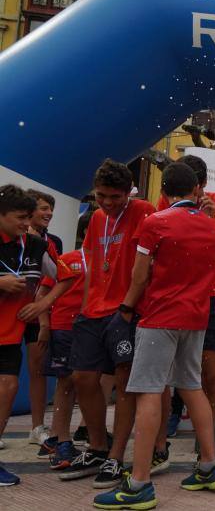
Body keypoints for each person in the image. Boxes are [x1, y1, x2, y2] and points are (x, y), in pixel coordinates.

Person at [94, 162, 215, 509]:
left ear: (165, 192)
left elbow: (140, 276)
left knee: (148, 394)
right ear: (196, 190)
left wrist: (126, 309)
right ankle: (208, 465)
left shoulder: (154, 222)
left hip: (158, 318)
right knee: (192, 388)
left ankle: (139, 483)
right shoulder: (212, 227)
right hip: (197, 318)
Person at [59, 160, 157, 488]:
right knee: (82, 378)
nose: (108, 203)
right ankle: (98, 447)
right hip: (94, 311)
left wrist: (129, 309)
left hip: (128, 310)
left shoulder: (144, 211)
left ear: (128, 192)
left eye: (115, 197)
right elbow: (89, 269)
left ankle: (116, 457)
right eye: (102, 196)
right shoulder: (97, 218)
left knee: (125, 382)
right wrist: (85, 307)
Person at [0, 184, 76, 486]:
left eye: (28, 217)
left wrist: (42, 304)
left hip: (9, 333)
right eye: (20, 217)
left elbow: (66, 277)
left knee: (7, 388)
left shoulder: (34, 245)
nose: (26, 224)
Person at [156, 155, 215, 426]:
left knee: (210, 372)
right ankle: (170, 417)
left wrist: (211, 218)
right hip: (177, 292)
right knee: (171, 366)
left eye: (195, 188)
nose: (188, 194)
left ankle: (206, 437)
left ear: (202, 185)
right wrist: (198, 223)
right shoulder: (166, 202)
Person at [38, 248, 86, 470]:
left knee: (82, 382)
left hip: (91, 328)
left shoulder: (108, 259)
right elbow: (42, 292)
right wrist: (45, 325)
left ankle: (56, 439)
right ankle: (61, 443)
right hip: (64, 329)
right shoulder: (66, 260)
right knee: (66, 382)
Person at [23, 189, 63, 449]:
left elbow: (56, 276)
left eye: (51, 208)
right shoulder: (11, 238)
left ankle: (37, 427)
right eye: (43, 208)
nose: (48, 212)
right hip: (10, 311)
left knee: (38, 370)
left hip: (38, 313)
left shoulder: (53, 241)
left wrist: (46, 317)